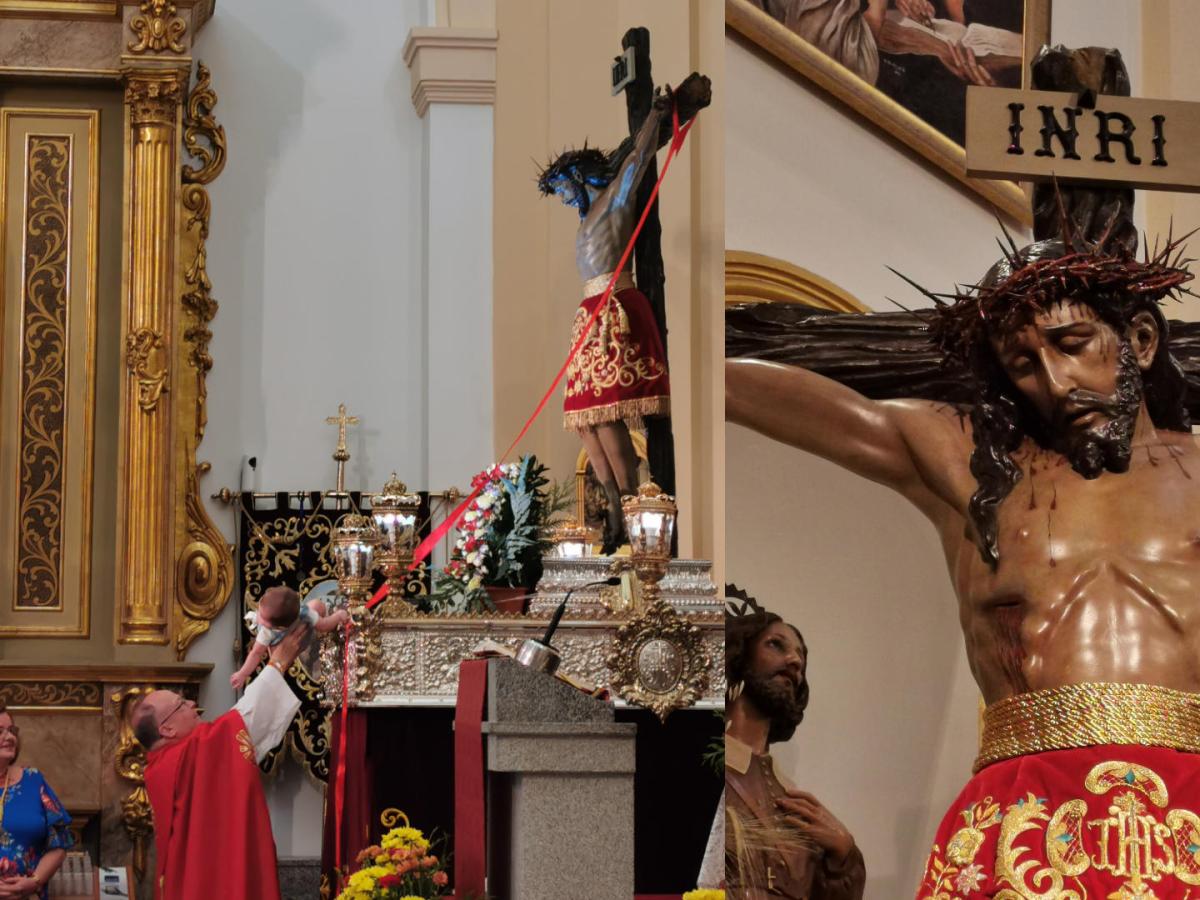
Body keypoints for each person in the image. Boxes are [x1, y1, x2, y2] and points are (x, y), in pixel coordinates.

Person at [726, 219, 1200, 896]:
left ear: (1142, 340)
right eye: (1023, 365)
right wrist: (650, 358)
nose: (1056, 381)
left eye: (1073, 344)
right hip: (1023, 814)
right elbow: (750, 391)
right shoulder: (971, 471)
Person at [538, 87, 681, 552]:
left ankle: (632, 499)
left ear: (579, 178)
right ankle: (614, 510)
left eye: (564, 190)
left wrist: (655, 115)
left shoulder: (615, 201)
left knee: (609, 414)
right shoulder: (587, 218)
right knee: (584, 420)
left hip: (614, 310)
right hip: (590, 315)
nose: (565, 200)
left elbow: (637, 160)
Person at [134, 624, 309, 899]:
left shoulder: (162, 765)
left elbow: (233, 728)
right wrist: (279, 662)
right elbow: (244, 721)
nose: (192, 705)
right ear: (166, 729)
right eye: (181, 704)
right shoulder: (184, 758)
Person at [725, 588, 865, 899]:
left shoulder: (793, 799)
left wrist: (843, 856)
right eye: (775, 645)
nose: (794, 661)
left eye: (800, 656)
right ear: (741, 656)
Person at [0, 704, 72, 900]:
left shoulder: (33, 780)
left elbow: (60, 843)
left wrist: (34, 881)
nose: (9, 737)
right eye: (0, 731)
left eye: (12, 730)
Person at [231, 584, 349, 689]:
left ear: (280, 627)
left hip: (299, 636)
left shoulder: (304, 612)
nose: (258, 619)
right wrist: (242, 674)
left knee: (317, 607)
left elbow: (323, 625)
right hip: (279, 647)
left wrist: (337, 617)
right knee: (276, 663)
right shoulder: (266, 631)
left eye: (263, 618)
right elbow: (256, 653)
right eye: (259, 611)